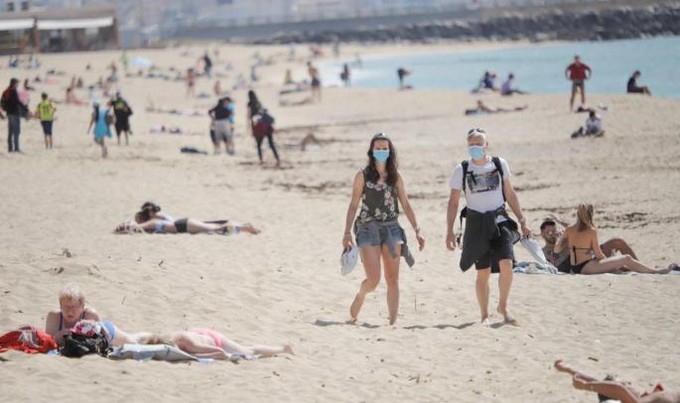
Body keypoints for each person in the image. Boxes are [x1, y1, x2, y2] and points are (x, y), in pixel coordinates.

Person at [446, 128, 531, 326]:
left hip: (500, 221)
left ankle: (502, 306)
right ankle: (484, 315)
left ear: (487, 145)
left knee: (507, 265)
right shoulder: (462, 169)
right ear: (468, 146)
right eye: (472, 144)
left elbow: (510, 194)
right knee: (482, 272)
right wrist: (450, 231)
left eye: (479, 144)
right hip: (476, 226)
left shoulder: (499, 164)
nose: (476, 147)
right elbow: (453, 202)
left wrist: (522, 219)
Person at [343, 133, 426, 325]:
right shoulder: (361, 176)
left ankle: (392, 323)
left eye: (384, 148)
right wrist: (347, 232)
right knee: (373, 280)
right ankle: (361, 294)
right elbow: (353, 205)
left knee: (393, 280)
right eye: (378, 148)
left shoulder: (396, 177)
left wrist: (417, 230)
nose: (381, 151)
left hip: (392, 229)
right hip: (367, 228)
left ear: (390, 151)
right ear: (372, 151)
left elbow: (405, 203)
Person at [553, 203, 670, 274]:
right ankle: (655, 272)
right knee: (626, 259)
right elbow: (599, 255)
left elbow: (557, 250)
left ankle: (643, 269)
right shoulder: (591, 231)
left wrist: (561, 239)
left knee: (616, 264)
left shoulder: (569, 229)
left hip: (575, 267)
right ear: (590, 214)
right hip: (586, 267)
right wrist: (607, 260)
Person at [540, 217, 638, 274]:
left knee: (617, 241)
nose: (552, 233)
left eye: (553, 230)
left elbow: (579, 228)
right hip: (583, 266)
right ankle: (634, 270)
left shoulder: (565, 239)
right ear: (542, 234)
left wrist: (560, 221)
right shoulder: (544, 251)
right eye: (548, 232)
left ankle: (638, 266)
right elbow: (553, 269)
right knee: (619, 266)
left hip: (592, 256)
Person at [554, 360, 680, 403]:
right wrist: (586, 386)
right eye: (626, 384)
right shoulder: (637, 401)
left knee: (601, 384)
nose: (627, 384)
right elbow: (618, 388)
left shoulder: (638, 397)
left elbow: (613, 387)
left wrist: (568, 370)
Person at [115, 201, 260, 235]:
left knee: (215, 229)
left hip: (182, 225)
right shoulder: (155, 220)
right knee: (214, 227)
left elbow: (137, 228)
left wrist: (124, 228)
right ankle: (243, 226)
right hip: (183, 224)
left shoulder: (153, 220)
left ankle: (244, 227)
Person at [139, 328, 293, 360]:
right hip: (198, 333)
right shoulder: (172, 336)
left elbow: (219, 352)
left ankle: (282, 349)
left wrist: (193, 356)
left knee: (249, 351)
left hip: (214, 339)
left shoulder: (190, 345)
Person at [247, 90, 280, 167]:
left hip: (258, 127)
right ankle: (277, 158)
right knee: (271, 143)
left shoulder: (250, 104)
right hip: (267, 126)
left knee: (259, 144)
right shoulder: (259, 103)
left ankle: (261, 160)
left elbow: (248, 115)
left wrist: (248, 127)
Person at [1, 78, 25, 152]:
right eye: (17, 83)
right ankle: (16, 148)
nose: (17, 85)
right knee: (16, 131)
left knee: (10, 132)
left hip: (9, 114)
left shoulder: (6, 91)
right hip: (15, 113)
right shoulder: (13, 91)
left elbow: (1, 102)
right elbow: (17, 102)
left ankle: (10, 148)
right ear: (14, 83)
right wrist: (25, 109)